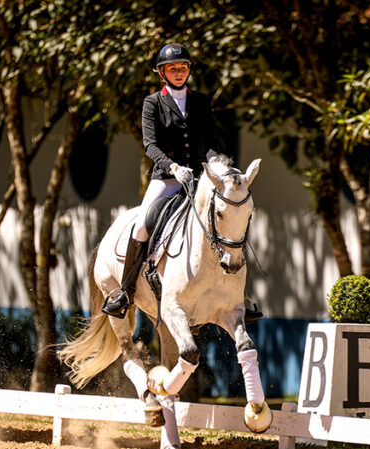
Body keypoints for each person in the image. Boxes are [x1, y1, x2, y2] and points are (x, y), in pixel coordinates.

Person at [102, 42, 262, 323]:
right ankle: (125, 292)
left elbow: (210, 143)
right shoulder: (152, 103)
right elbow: (150, 145)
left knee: (229, 218)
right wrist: (173, 167)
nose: (179, 72)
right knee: (141, 225)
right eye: (173, 68)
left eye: (183, 67)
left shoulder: (200, 101)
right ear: (162, 72)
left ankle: (239, 297)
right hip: (167, 179)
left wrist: (218, 167)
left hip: (202, 179)